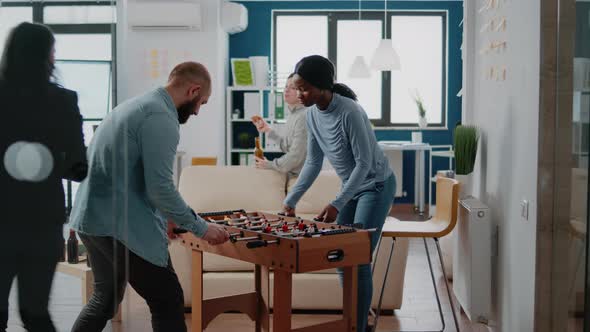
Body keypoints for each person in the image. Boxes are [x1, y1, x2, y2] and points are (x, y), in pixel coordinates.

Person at [68, 62, 230, 332]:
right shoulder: (161, 118)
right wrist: (202, 228)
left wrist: (167, 216)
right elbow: (160, 188)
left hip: (90, 219)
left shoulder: (135, 105)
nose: (199, 111)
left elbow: (131, 175)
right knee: (167, 299)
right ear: (193, 90)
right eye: (202, 102)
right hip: (118, 227)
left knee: (104, 299)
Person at [282, 55, 396, 332]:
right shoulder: (311, 116)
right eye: (297, 88)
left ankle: (357, 326)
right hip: (351, 188)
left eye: (305, 88)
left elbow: (364, 164)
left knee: (358, 256)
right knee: (341, 256)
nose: (299, 94)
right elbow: (313, 162)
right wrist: (291, 199)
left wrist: (336, 203)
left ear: (323, 86)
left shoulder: (350, 112)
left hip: (376, 186)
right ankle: (352, 322)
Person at [0, 22, 87, 332]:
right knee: (35, 312)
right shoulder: (63, 101)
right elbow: (79, 169)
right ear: (47, 55)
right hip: (42, 221)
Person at [251, 73, 308, 183]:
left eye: (293, 88)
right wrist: (268, 130)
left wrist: (270, 164)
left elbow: (295, 156)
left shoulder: (304, 116)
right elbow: (287, 147)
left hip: (301, 179)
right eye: (286, 86)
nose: (287, 90)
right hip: (294, 176)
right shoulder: (294, 115)